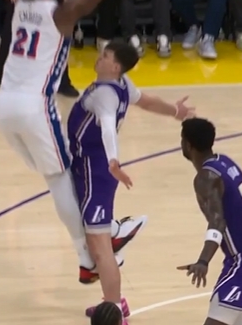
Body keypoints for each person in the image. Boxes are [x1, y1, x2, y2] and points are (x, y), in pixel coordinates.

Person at [0, 0, 150, 286]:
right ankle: (88, 255)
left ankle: (102, 238)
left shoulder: (22, 5)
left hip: (4, 107)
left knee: (57, 174)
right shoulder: (63, 13)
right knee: (59, 176)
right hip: (33, 107)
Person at [68, 41, 194, 323]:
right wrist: (174, 111)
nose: (99, 58)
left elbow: (108, 127)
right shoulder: (122, 84)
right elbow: (146, 101)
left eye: (105, 56)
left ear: (115, 66)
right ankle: (116, 250)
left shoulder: (105, 95)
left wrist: (113, 161)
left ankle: (114, 310)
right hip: (91, 169)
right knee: (96, 243)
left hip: (95, 172)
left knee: (101, 248)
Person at [178, 117, 242, 325]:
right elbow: (240, 190)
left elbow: (217, 223)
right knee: (227, 312)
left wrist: (203, 261)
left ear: (188, 145)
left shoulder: (205, 178)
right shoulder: (224, 161)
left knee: (218, 315)